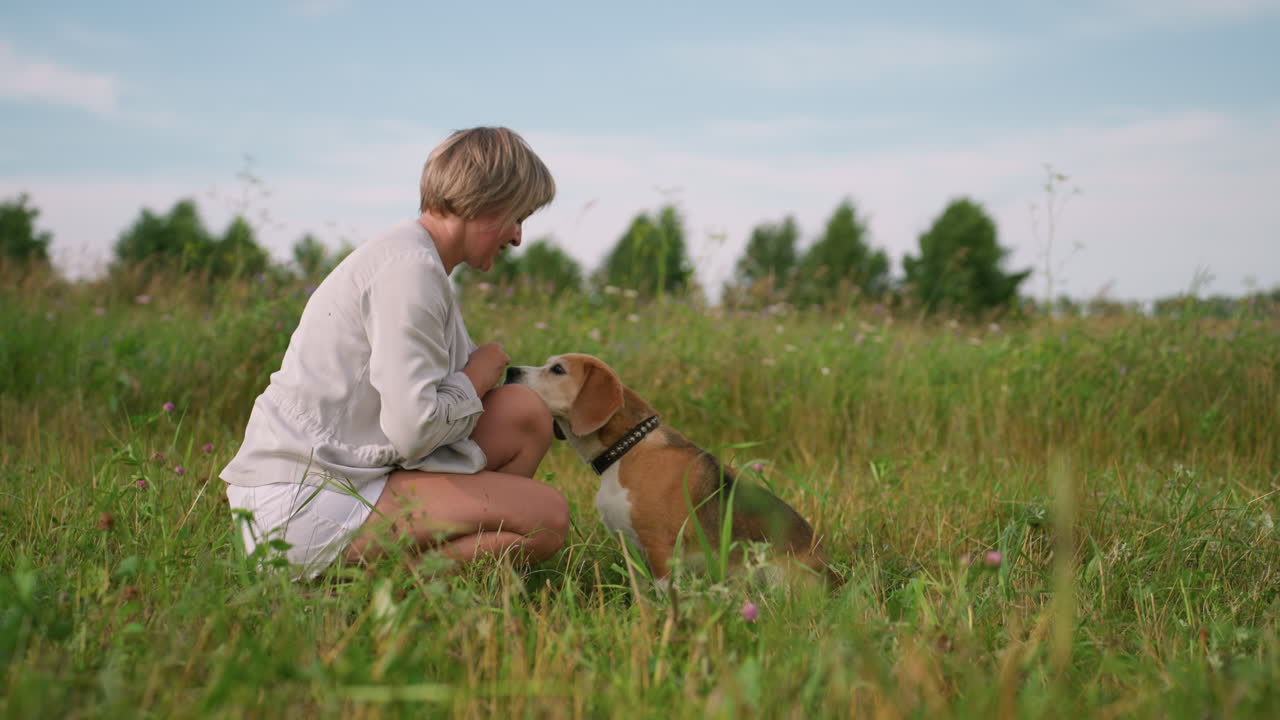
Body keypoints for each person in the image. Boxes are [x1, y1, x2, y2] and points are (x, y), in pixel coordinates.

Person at [221, 126, 569, 580]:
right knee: (546, 517)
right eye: (517, 217)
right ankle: (383, 591)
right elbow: (414, 431)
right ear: (489, 203)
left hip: (351, 475)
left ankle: (443, 559)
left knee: (523, 413)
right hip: (304, 502)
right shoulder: (409, 271)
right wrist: (477, 376)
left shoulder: (416, 260)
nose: (519, 237)